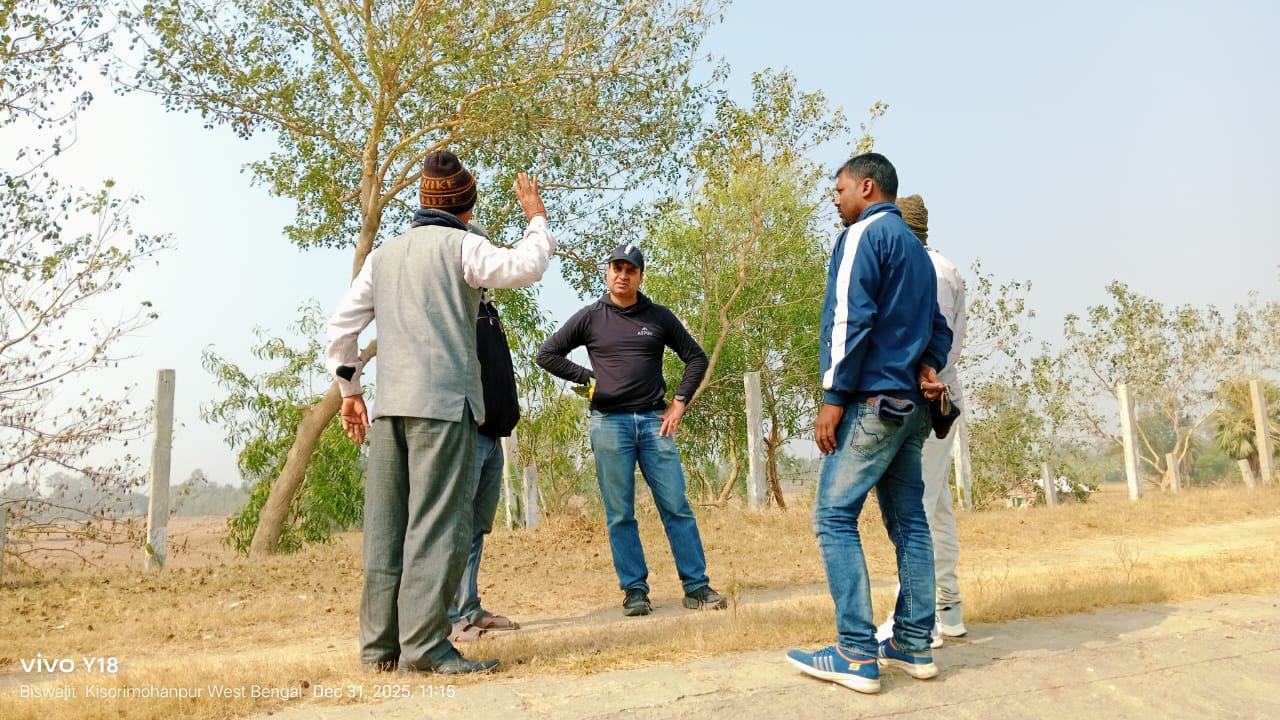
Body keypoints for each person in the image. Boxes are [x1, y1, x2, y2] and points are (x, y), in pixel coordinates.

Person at [325, 150, 555, 675]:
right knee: (438, 527)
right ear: (466, 208)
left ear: (422, 204)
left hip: (390, 411)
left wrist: (351, 391)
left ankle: (379, 652)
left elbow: (341, 328)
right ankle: (426, 648)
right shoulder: (463, 247)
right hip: (444, 408)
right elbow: (527, 265)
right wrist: (535, 216)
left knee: (386, 530)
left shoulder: (384, 256)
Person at [785, 153, 952, 695]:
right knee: (910, 522)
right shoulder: (919, 254)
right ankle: (912, 642)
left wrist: (833, 396)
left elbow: (846, 319)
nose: (835, 200)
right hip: (911, 410)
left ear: (866, 186)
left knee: (833, 516)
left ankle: (856, 652)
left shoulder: (864, 235)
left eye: (838, 190)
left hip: (873, 403)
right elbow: (940, 327)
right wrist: (929, 362)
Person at [535, 242, 728, 617]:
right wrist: (587, 378)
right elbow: (548, 354)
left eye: (631, 270)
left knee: (676, 505)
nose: (622, 275)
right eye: (616, 268)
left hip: (656, 424)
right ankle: (635, 591)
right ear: (607, 273)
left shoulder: (658, 317)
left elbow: (696, 357)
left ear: (640, 276)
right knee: (620, 512)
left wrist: (680, 402)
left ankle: (697, 587)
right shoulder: (590, 317)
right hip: (609, 426)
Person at [876, 194, 968, 648]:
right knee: (938, 506)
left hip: (926, 400)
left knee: (917, 508)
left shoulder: (921, 270)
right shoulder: (945, 267)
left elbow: (931, 345)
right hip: (945, 397)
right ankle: (948, 608)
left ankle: (914, 621)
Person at [448, 288, 522, 643]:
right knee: (454, 525)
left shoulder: (487, 309)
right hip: (468, 431)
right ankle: (446, 618)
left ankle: (470, 608)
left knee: (476, 527)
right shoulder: (453, 307)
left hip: (494, 435)